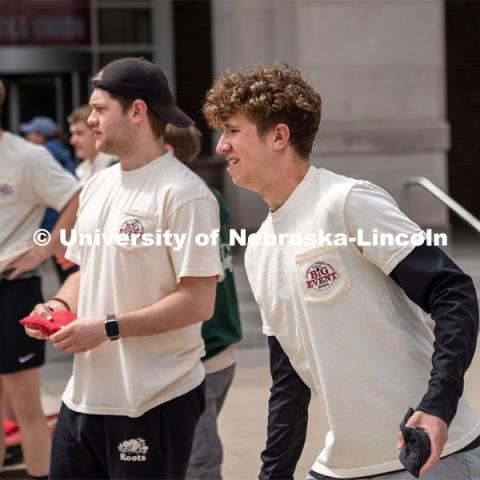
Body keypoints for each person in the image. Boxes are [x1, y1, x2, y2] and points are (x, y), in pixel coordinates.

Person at [203, 63, 480, 479]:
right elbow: (289, 384)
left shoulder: (347, 202)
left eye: (232, 130)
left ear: (279, 136)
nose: (221, 145)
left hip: (431, 456)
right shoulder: (259, 249)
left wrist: (437, 406)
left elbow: (454, 293)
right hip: (343, 465)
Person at [25, 57, 223, 479]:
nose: (90, 119)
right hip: (83, 399)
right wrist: (57, 303)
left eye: (100, 110)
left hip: (153, 401)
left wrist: (106, 328)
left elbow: (198, 302)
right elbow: (82, 270)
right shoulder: (97, 184)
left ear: (137, 111)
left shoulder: (186, 195)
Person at [0, 80, 80, 479]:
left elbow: (77, 196)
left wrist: (45, 246)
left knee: (27, 408)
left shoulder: (27, 157)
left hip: (13, 288)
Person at [164, 124, 243, 479]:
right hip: (214, 348)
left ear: (166, 152)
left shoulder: (193, 199)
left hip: (206, 353)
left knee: (199, 460)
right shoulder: (204, 194)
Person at [20, 116, 77, 282]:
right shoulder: (59, 152)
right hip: (61, 224)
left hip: (53, 224)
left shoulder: (43, 155)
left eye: (30, 133)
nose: (27, 137)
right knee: (68, 272)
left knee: (67, 274)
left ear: (40, 135)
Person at [67, 104, 117, 186]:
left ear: (97, 132)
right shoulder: (80, 170)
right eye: (72, 134)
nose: (72, 141)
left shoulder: (115, 166)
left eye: (79, 133)